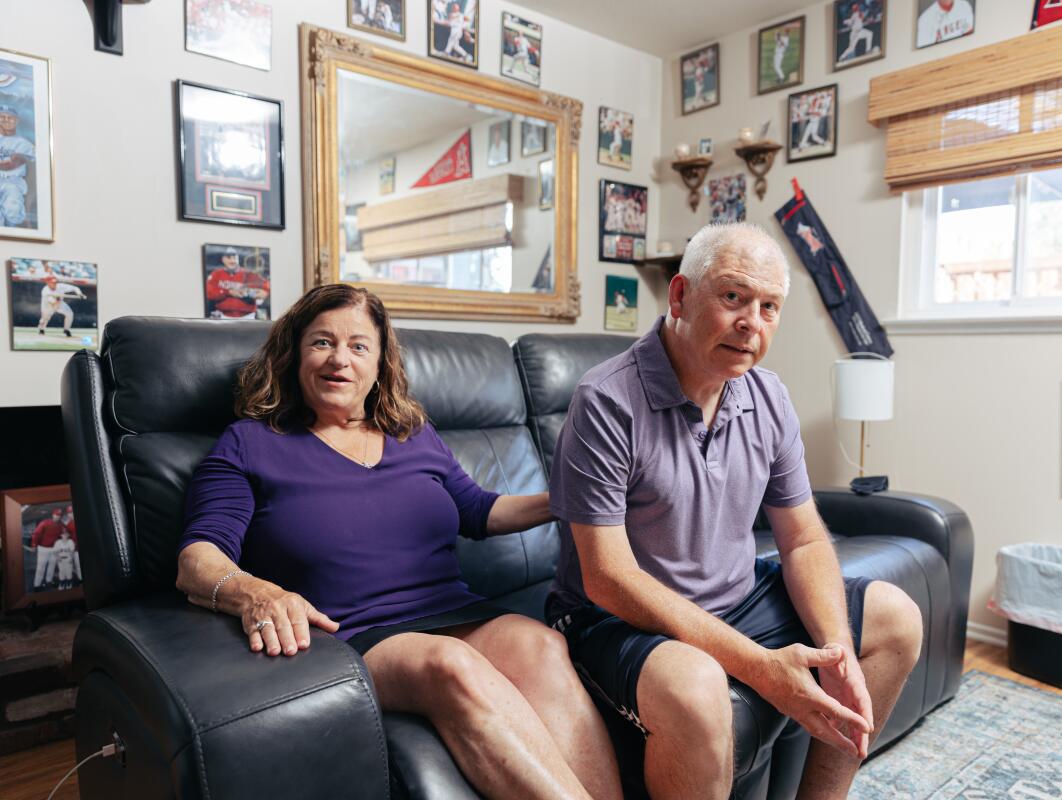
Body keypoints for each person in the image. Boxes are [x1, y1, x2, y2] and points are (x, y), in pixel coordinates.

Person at [176, 284, 620, 800]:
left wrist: (575, 497)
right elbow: (197, 559)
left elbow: (477, 510)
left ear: (380, 361)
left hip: (450, 609)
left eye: (359, 346)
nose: (339, 359)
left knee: (540, 643)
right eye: (322, 342)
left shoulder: (414, 433)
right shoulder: (251, 442)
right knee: (449, 666)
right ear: (295, 353)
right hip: (354, 630)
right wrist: (258, 593)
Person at [547, 222, 923, 799]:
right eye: (733, 297)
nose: (751, 322)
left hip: (736, 598)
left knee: (896, 618)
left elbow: (801, 540)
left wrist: (837, 650)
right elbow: (608, 580)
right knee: (698, 686)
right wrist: (760, 667)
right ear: (679, 296)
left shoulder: (767, 395)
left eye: (769, 307)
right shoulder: (607, 400)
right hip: (614, 621)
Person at [205, 246, 269, 319]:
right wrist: (228, 292)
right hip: (223, 316)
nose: (232, 261)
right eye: (229, 258)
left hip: (248, 316)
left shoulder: (248, 273)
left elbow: (265, 286)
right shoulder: (216, 274)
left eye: (235, 258)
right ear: (223, 259)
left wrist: (264, 292)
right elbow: (209, 294)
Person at [0, 102, 35, 228]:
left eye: (10, 117)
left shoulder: (24, 143)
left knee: (12, 209)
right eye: (2, 117)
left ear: (17, 120)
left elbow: (11, 164)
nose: (6, 120)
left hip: (13, 182)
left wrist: (19, 160)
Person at [38, 274, 86, 338]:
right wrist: (58, 299)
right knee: (45, 319)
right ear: (48, 282)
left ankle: (66, 329)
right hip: (48, 306)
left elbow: (75, 288)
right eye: (52, 282)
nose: (54, 283)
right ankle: (41, 329)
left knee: (69, 313)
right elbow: (52, 302)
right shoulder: (45, 291)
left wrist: (79, 293)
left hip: (60, 303)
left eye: (55, 282)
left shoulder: (60, 286)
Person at [30, 507, 66, 590]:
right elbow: (36, 534)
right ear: (53, 515)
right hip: (43, 548)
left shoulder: (61, 525)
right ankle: (37, 585)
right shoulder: (44, 523)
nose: (58, 517)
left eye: (60, 515)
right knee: (41, 567)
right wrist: (34, 545)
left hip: (54, 549)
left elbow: (63, 536)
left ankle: (48, 581)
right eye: (56, 515)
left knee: (52, 566)